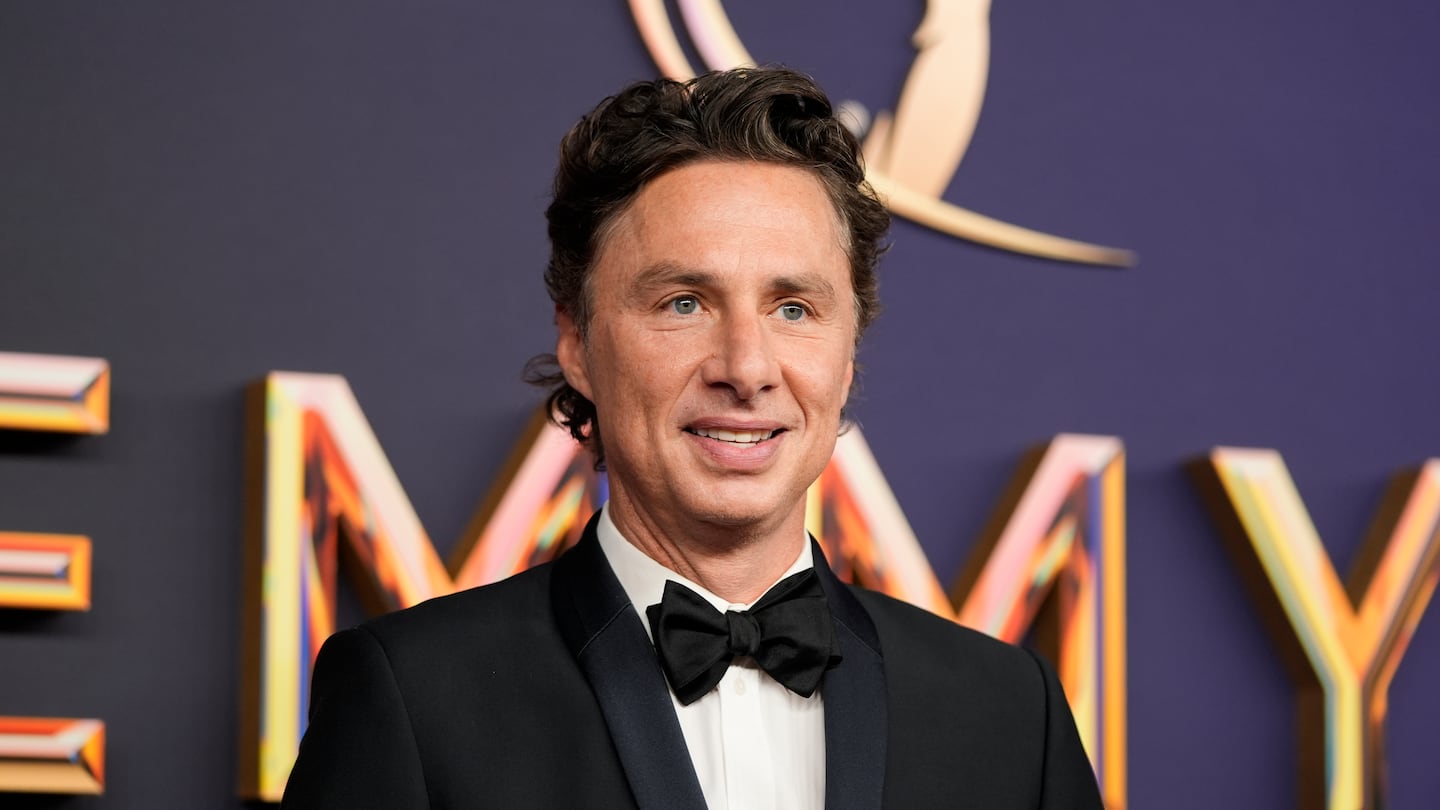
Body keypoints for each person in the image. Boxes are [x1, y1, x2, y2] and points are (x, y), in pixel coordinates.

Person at [281, 66, 1104, 810]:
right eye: (684, 302)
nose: (747, 368)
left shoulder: (1009, 713)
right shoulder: (416, 699)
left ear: (849, 353)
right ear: (578, 342)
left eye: (794, 309)